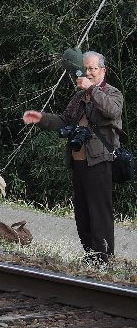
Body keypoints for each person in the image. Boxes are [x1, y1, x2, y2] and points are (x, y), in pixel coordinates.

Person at [23, 50, 122, 262]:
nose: (87, 72)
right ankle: (90, 255)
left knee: (100, 212)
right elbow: (64, 120)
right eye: (85, 69)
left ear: (102, 70)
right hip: (78, 161)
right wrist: (41, 118)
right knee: (82, 213)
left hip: (100, 161)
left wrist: (92, 89)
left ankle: (103, 259)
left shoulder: (112, 93)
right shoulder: (78, 97)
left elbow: (112, 112)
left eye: (92, 69)